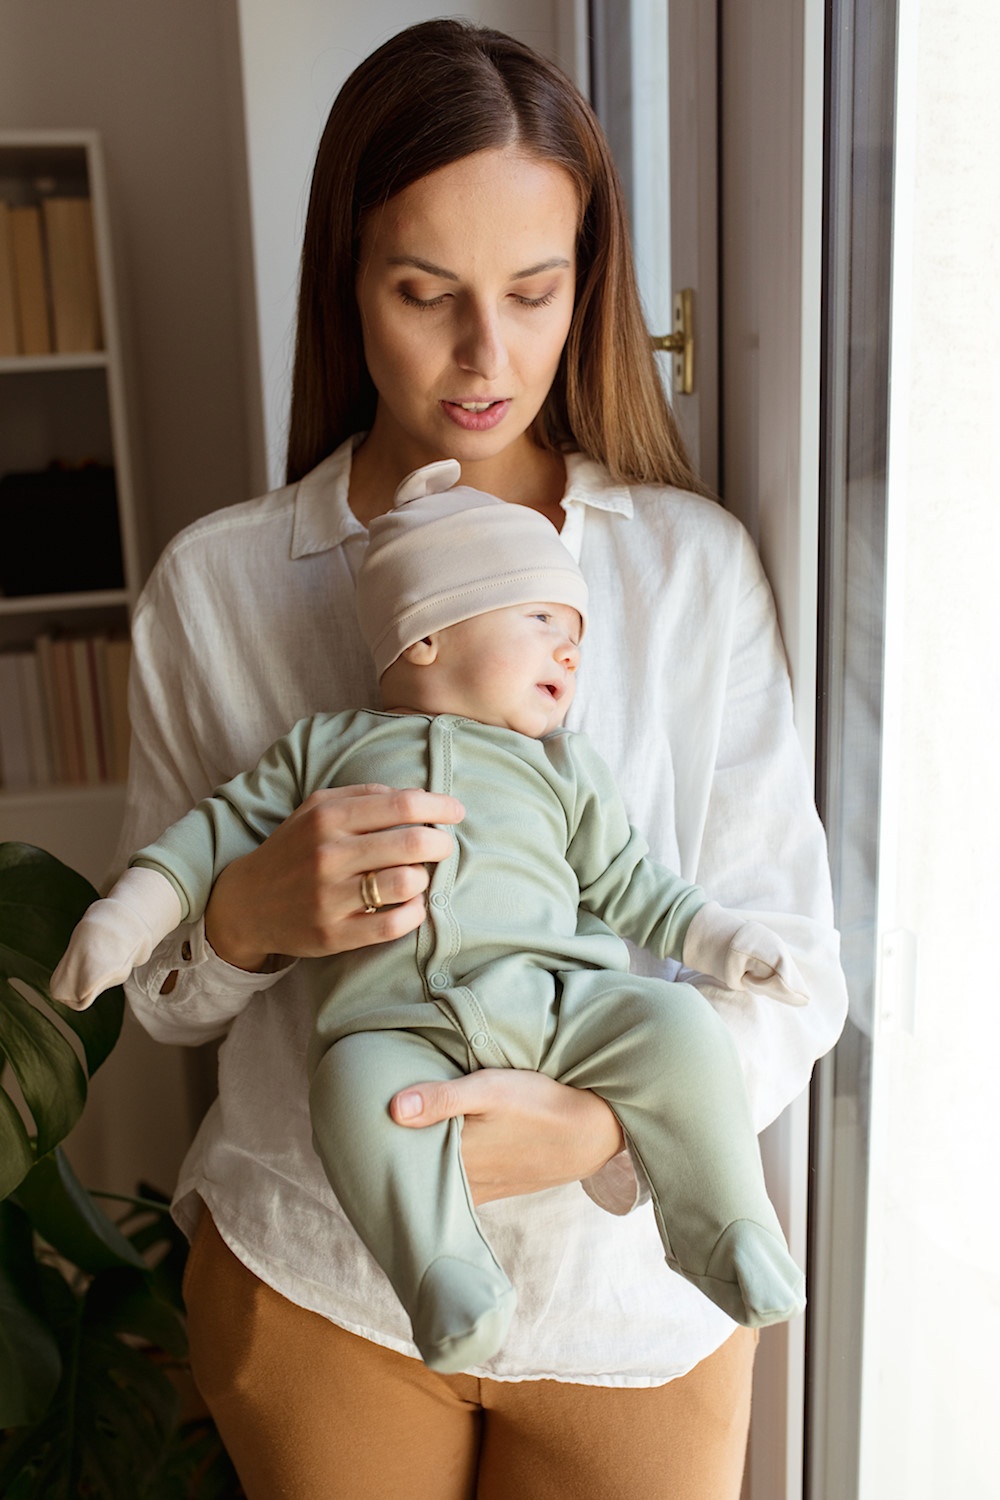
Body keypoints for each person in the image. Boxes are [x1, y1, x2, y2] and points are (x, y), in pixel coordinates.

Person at [106, 18, 847, 1499]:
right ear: (347, 281)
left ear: (592, 283)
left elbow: (794, 969)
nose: (484, 356)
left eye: (534, 290)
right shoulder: (220, 585)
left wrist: (596, 1132)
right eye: (424, 292)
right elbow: (161, 999)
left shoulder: (691, 571)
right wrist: (249, 917)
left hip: (636, 1304)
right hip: (322, 1275)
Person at [54, 460, 813, 1371]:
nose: (569, 651)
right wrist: (123, 920)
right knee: (354, 1094)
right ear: (424, 636)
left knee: (678, 1025)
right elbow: (201, 842)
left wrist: (725, 943)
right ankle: (443, 1273)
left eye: (575, 633)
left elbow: (634, 886)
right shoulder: (321, 751)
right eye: (540, 620)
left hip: (559, 1009)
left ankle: (722, 1222)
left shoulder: (564, 768)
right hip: (393, 1028)